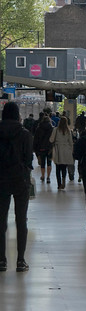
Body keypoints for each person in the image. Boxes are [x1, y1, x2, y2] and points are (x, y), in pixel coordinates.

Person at [0, 102, 34, 272]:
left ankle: (1, 260)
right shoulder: (25, 134)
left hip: (0, 181)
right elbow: (29, 159)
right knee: (21, 220)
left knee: (1, 221)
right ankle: (20, 261)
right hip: (21, 180)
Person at [49, 116, 75, 190]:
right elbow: (71, 142)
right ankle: (64, 180)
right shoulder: (68, 131)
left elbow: (51, 140)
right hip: (66, 150)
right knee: (64, 167)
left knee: (58, 168)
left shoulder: (56, 130)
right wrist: (71, 150)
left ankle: (59, 184)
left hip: (58, 150)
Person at [33, 115, 54, 183]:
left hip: (41, 148)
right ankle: (48, 177)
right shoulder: (52, 128)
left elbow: (36, 139)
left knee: (42, 163)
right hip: (49, 148)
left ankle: (42, 176)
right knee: (49, 163)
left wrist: (35, 149)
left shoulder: (39, 128)